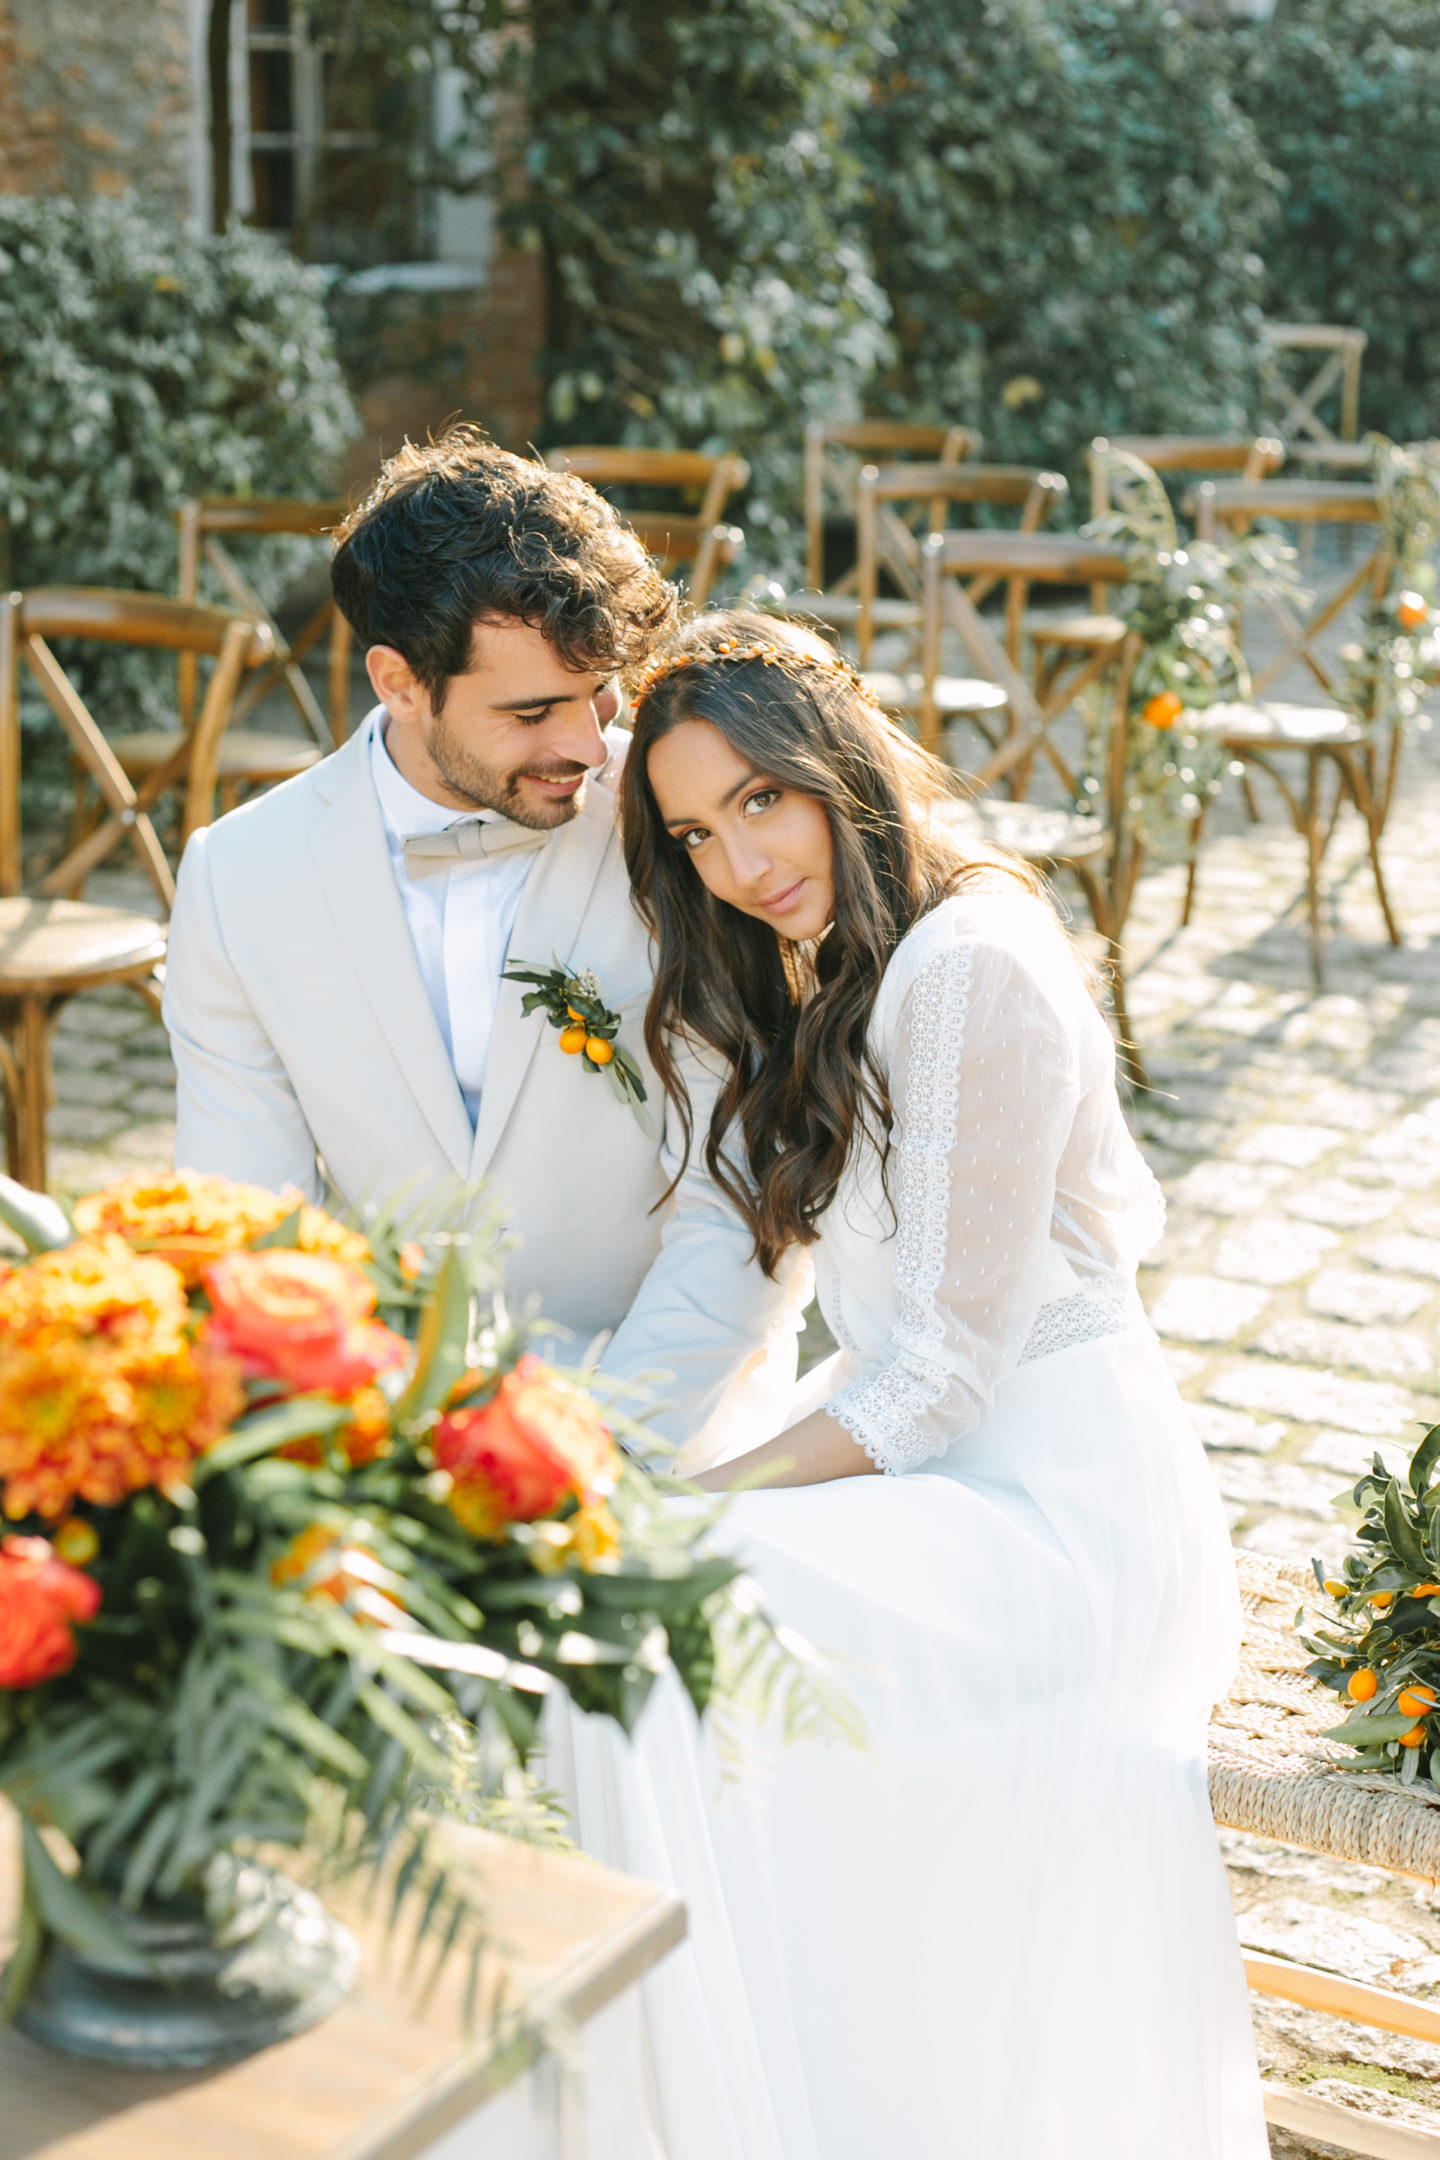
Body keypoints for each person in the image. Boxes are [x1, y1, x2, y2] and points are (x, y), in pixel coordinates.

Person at [551, 611, 1268, 2159]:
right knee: (641, 1627)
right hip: (943, 1494)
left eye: (761, 798)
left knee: (671, 1601)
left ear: (837, 767)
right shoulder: (823, 964)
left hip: (1064, 1511)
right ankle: (758, 2091)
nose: (740, 862)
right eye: (695, 830)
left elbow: (935, 1371)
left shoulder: (967, 960)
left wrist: (692, 1500)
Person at [161, 432, 806, 1451]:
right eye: (533, 711)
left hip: (677, 1418)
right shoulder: (239, 879)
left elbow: (742, 1196)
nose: (590, 750)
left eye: (599, 696)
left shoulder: (682, 827)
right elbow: (250, 1234)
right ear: (399, 682)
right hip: (382, 1436)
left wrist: (602, 1443)